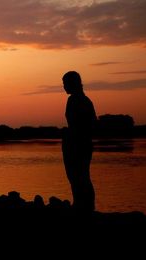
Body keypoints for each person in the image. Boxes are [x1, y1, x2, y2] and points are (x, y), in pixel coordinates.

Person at [62, 71, 97, 212]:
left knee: (79, 176)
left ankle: (84, 207)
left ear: (73, 83)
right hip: (80, 143)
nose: (64, 87)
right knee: (79, 176)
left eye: (65, 83)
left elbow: (88, 124)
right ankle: (83, 205)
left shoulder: (78, 100)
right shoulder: (83, 100)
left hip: (78, 144)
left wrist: (73, 134)